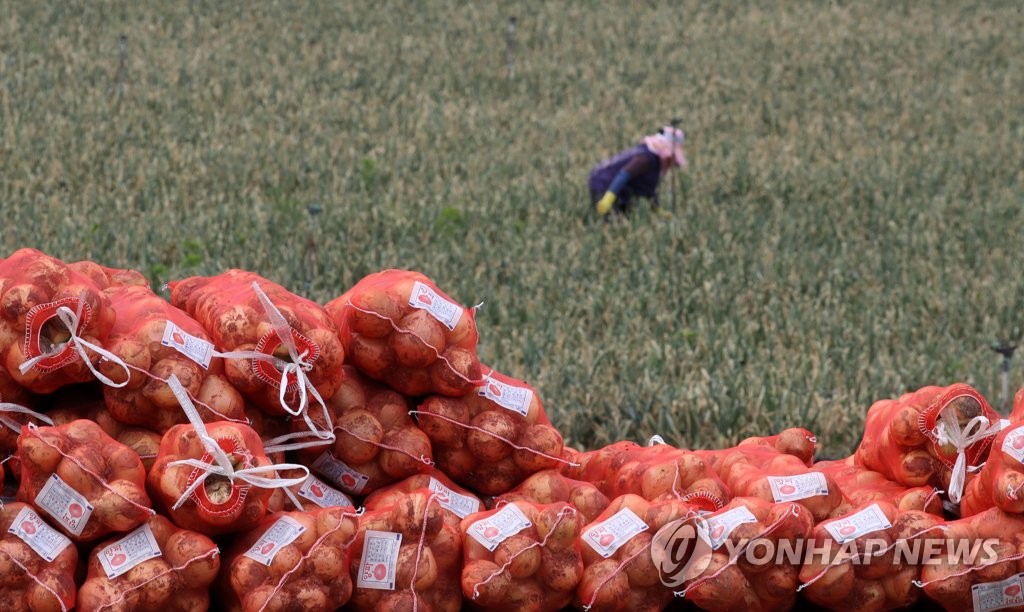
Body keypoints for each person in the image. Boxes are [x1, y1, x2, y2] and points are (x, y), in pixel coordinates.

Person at [588, 126, 688, 217]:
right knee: (613, 220)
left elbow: (649, 190)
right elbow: (623, 175)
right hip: (604, 184)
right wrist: (608, 199)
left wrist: (658, 210)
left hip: (622, 190)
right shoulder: (645, 159)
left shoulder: (655, 163)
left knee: (626, 217)